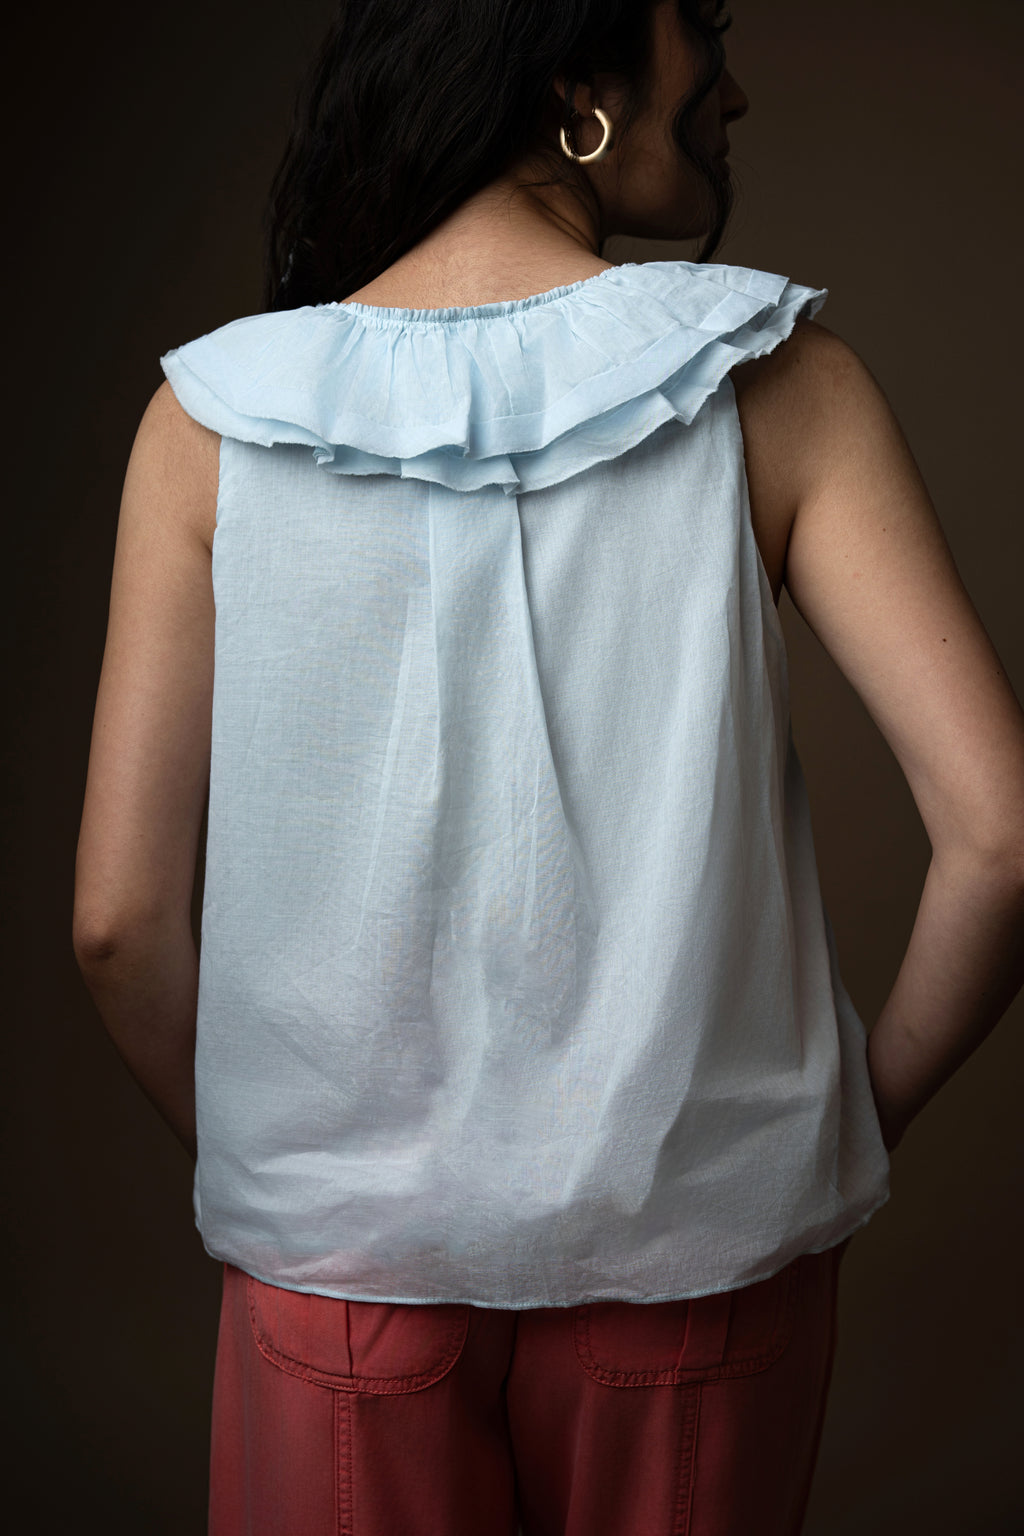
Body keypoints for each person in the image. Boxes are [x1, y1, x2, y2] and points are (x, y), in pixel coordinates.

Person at [72, 2, 1024, 1532]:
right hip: (702, 1272)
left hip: (337, 1283)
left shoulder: (206, 423)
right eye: (702, 29)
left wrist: (297, 1172)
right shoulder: (783, 383)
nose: (734, 90)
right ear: (578, 92)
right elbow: (1005, 838)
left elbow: (118, 924)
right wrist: (847, 1117)